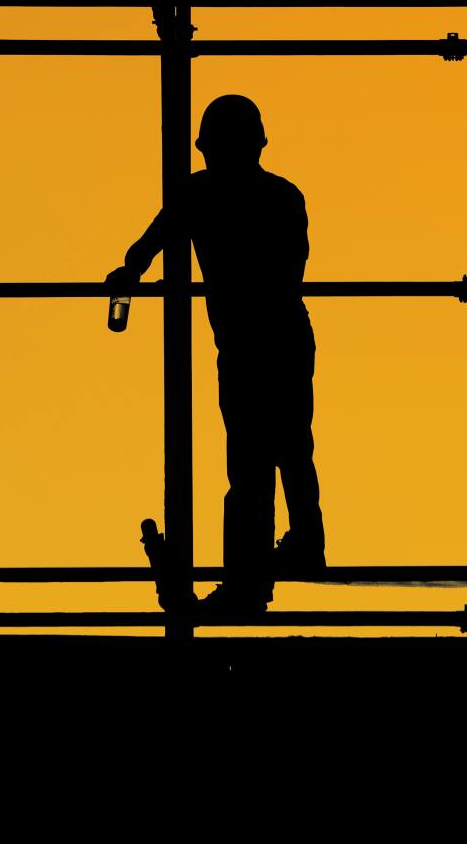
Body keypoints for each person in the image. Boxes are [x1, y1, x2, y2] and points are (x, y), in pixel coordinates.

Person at [107, 95, 324, 618]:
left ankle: (252, 581)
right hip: (282, 336)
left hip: (251, 343)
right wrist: (131, 269)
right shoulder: (278, 196)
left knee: (254, 462)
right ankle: (298, 549)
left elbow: (151, 242)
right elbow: (289, 267)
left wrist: (129, 273)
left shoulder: (201, 195)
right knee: (288, 447)